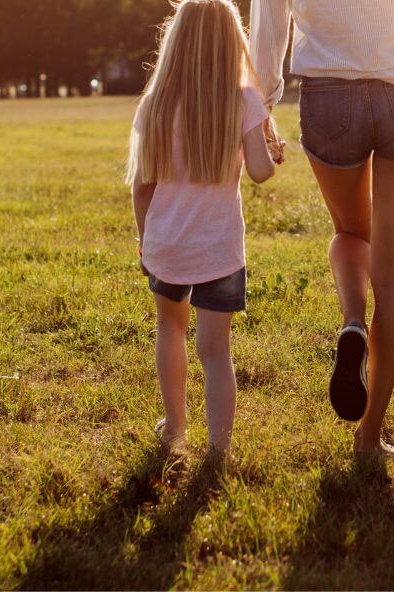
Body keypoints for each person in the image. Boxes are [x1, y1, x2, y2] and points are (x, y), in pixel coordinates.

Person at [251, 0, 394, 459]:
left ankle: (353, 323)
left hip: (331, 97)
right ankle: (369, 434)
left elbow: (270, 23)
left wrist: (263, 107)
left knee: (352, 233)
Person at [126, 0, 287, 454]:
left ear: (176, 42)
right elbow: (260, 172)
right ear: (231, 43)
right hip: (219, 250)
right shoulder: (243, 100)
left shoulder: (154, 105)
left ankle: (175, 429)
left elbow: (142, 187)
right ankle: (219, 450)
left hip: (167, 245)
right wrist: (271, 150)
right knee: (216, 352)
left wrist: (145, 241)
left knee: (169, 329)